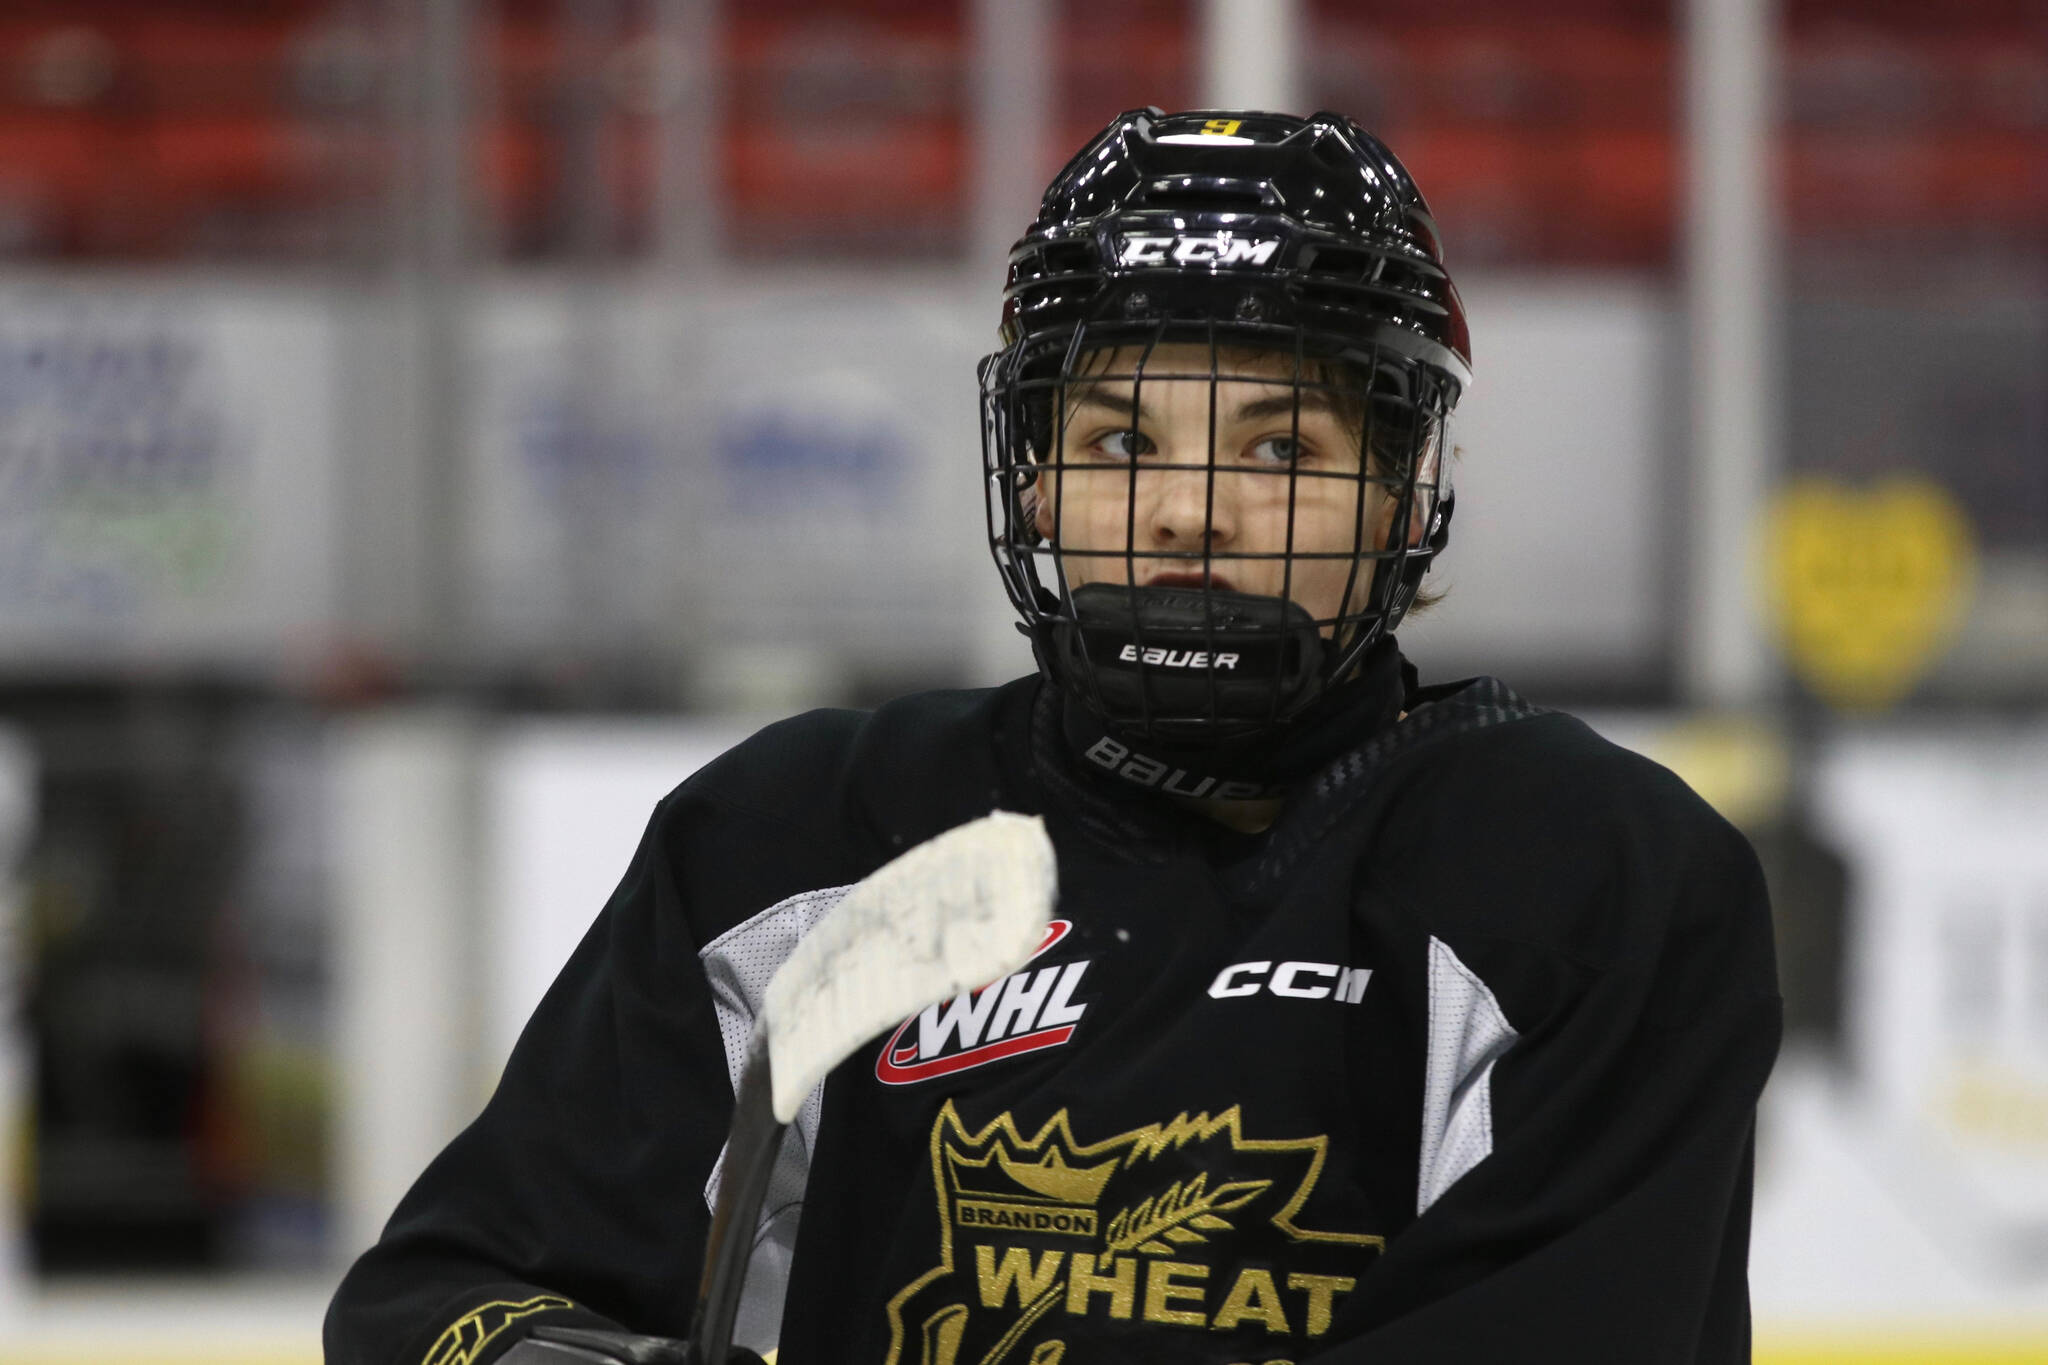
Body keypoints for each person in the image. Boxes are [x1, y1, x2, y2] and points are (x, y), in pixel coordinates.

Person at [326, 108, 1780, 1365]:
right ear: (1032, 482)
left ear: (1405, 496)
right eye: (1117, 443)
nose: (1185, 509)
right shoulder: (805, 837)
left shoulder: (1594, 884)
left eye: (1281, 448)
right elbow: (437, 1302)